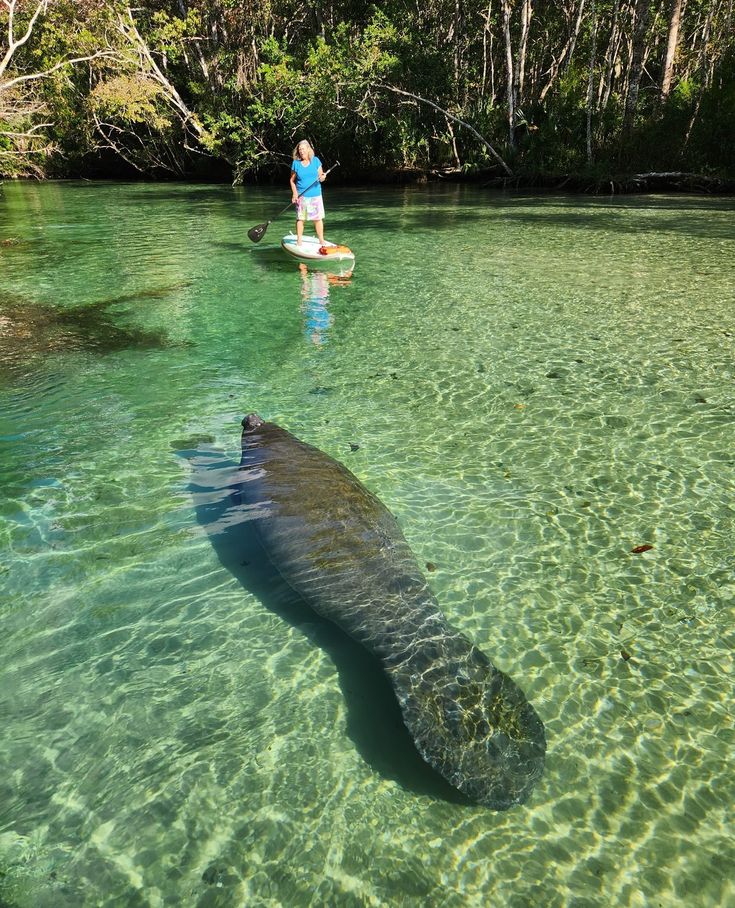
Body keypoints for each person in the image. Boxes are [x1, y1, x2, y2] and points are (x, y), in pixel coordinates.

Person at [290, 140, 326, 246]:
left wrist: (323, 177)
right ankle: (299, 241)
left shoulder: (315, 161)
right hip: (302, 196)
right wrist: (294, 194)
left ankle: (321, 240)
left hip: (315, 196)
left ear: (308, 149)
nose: (301, 151)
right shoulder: (296, 163)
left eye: (303, 149)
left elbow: (322, 177)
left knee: (317, 219)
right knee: (301, 219)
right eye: (299, 149)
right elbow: (292, 181)